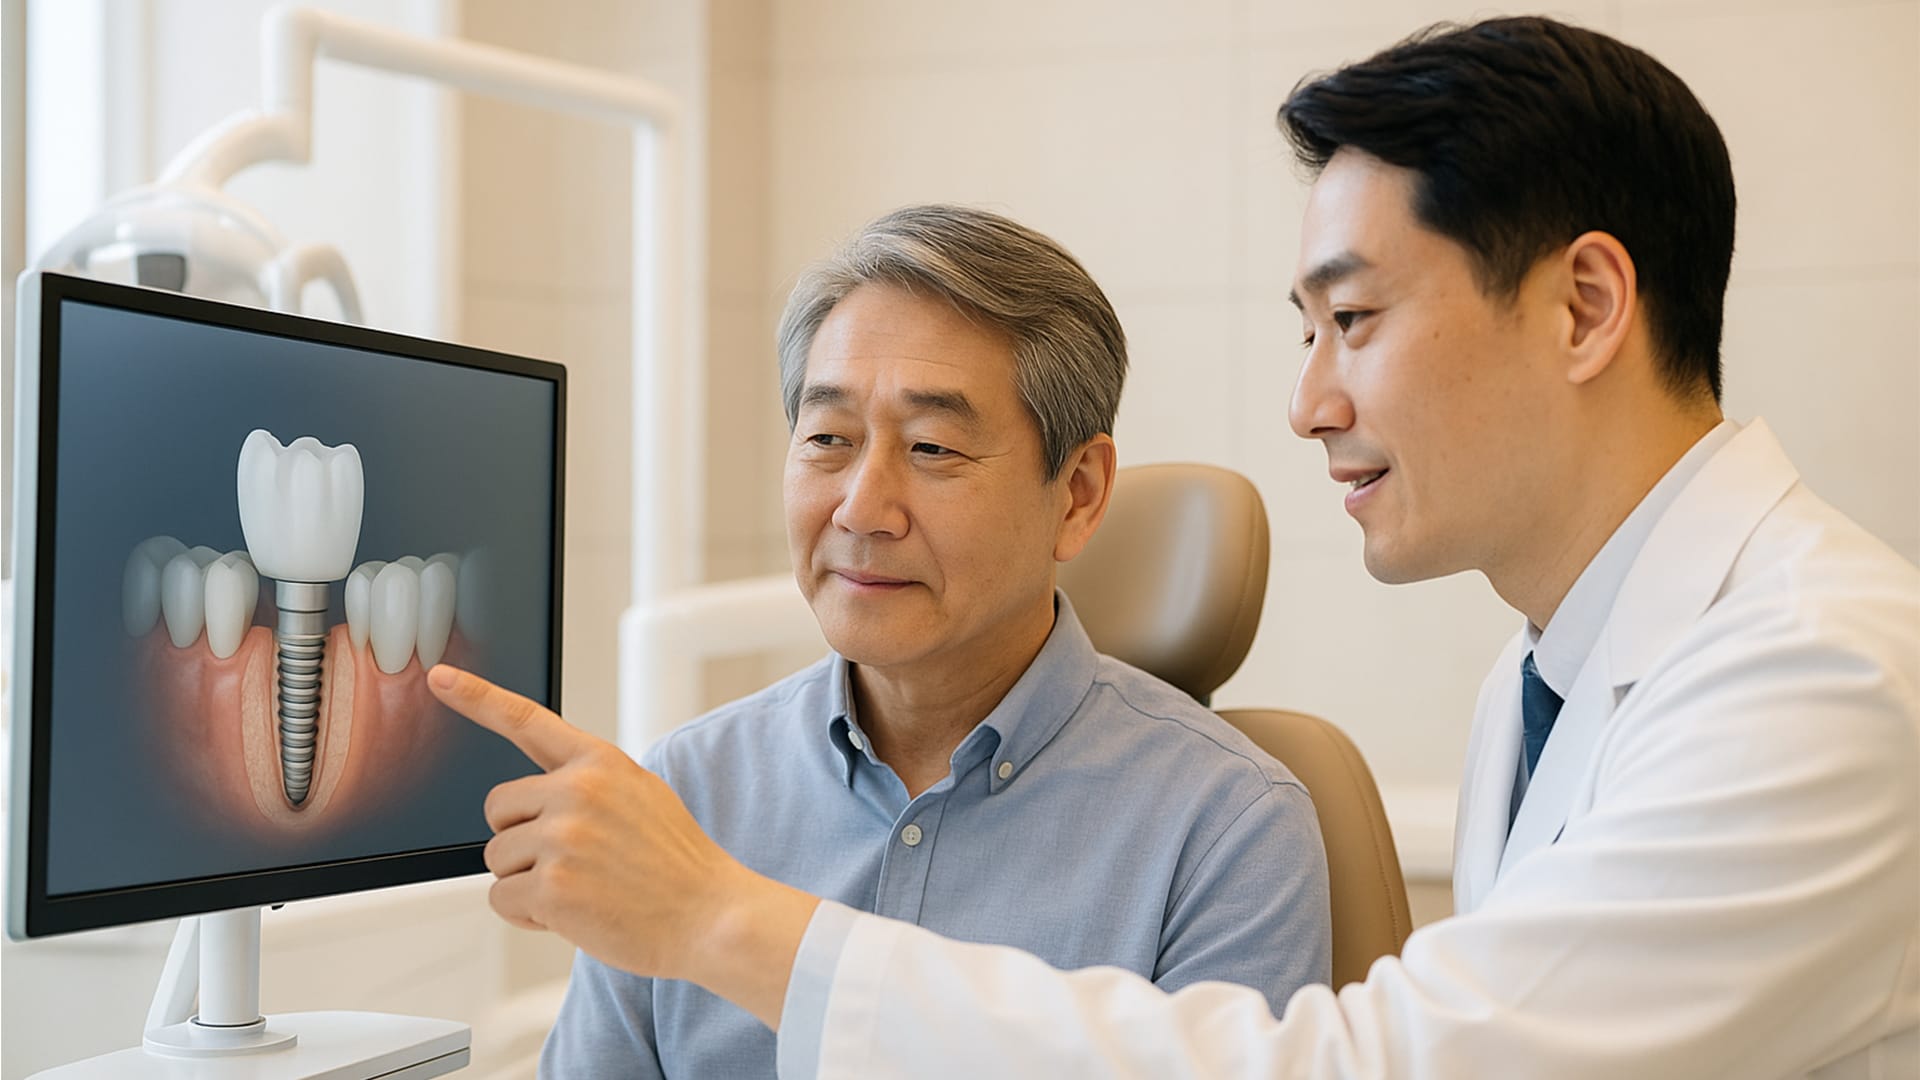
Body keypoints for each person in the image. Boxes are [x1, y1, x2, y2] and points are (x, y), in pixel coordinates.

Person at [430, 17, 1920, 1079]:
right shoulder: (1543, 683)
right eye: (826, 434)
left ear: (1585, 307)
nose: (1307, 398)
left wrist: (724, 921)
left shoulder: (1815, 678)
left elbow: (1372, 1069)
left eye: (1355, 320)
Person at [535, 204, 1331, 1077]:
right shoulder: (687, 793)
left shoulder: (1229, 830)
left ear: (1077, 494)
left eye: (933, 447)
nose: (862, 508)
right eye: (828, 439)